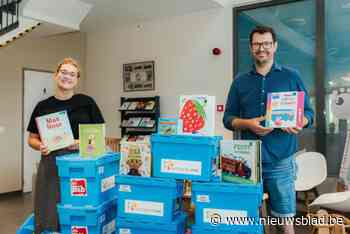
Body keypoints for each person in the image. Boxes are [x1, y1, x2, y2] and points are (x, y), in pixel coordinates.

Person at [223, 26, 314, 234]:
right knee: (245, 216)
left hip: (281, 159)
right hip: (245, 161)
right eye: (256, 44)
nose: (261, 48)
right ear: (251, 47)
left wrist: (302, 121)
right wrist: (248, 124)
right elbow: (228, 119)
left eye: (266, 43)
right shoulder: (239, 81)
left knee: (285, 218)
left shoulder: (291, 76)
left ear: (275, 46)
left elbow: (309, 113)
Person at [27, 58, 105, 234]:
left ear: (77, 79)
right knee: (48, 212)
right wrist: (40, 146)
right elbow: (32, 139)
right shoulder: (43, 106)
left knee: (78, 210)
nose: (67, 77)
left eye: (72, 74)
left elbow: (100, 136)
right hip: (50, 165)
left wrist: (78, 142)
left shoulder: (87, 103)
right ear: (56, 75)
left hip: (81, 164)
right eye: (63, 72)